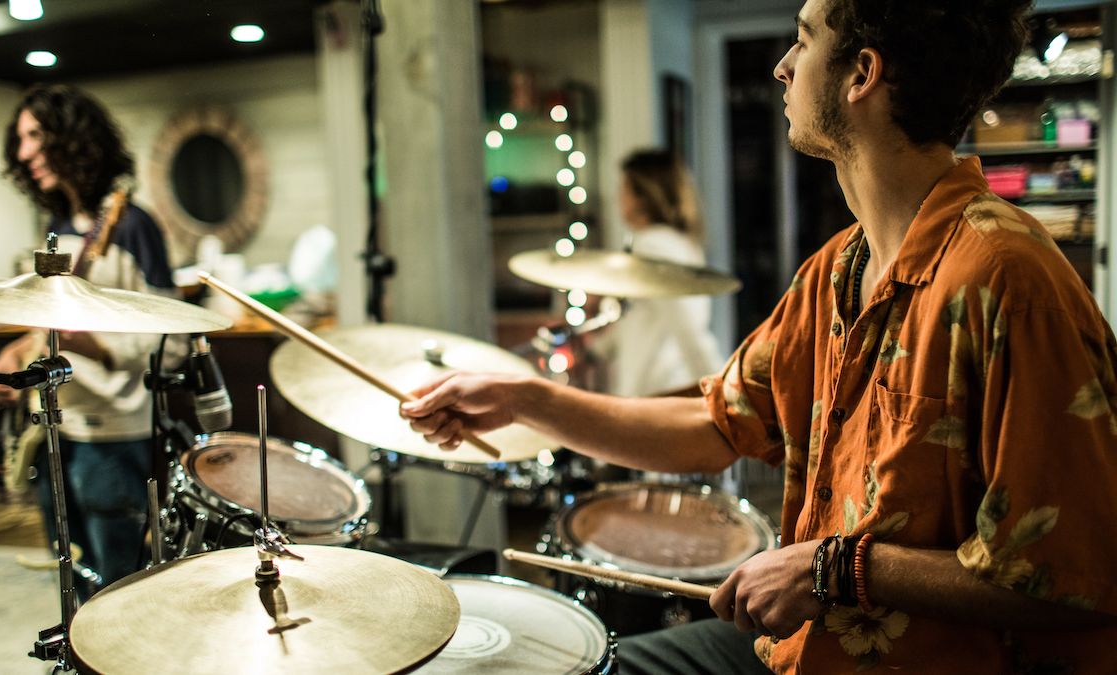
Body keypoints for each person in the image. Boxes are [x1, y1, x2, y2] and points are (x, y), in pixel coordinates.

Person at [402, 0, 1117, 672]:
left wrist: (831, 567)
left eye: (804, 40)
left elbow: (1074, 577)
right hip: (805, 648)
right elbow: (716, 423)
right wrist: (527, 398)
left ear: (862, 75)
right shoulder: (837, 269)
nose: (782, 66)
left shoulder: (1005, 278)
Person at [0, 84, 181, 595]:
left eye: (35, 136)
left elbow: (173, 341)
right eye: (20, 140)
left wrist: (95, 346)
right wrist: (21, 347)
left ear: (72, 139)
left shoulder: (134, 228)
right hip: (56, 427)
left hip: (112, 434)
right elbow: (54, 316)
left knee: (119, 583)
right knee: (70, 574)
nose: (24, 153)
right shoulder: (56, 226)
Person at [589, 149, 724, 397]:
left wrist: (723, 395)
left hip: (659, 386)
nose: (617, 198)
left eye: (624, 189)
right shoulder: (678, 243)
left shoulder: (653, 246)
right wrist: (598, 347)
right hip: (661, 383)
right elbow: (645, 317)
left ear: (643, 196)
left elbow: (687, 326)